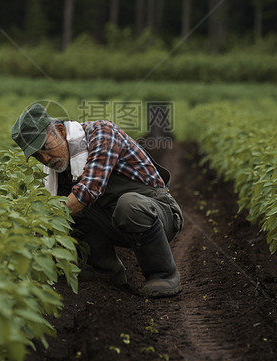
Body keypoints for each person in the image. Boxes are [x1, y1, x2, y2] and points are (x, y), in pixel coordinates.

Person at [11, 102, 183, 298]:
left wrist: (40, 222)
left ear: (60, 130)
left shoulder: (102, 133)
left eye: (45, 147)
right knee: (66, 209)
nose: (46, 158)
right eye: (37, 156)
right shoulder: (60, 166)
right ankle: (107, 271)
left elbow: (88, 191)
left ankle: (163, 273)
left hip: (158, 215)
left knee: (126, 204)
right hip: (116, 221)